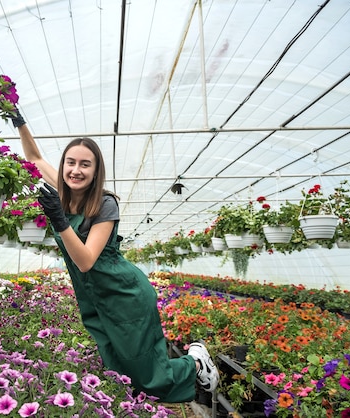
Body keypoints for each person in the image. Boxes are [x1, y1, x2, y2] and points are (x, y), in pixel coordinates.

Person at [12, 112, 219, 403]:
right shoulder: (62, 190)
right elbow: (33, 157)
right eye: (70, 163)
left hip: (124, 294)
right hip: (95, 296)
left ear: (96, 171)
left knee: (146, 374)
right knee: (118, 370)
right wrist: (19, 121)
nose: (76, 170)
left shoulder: (105, 204)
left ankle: (196, 362)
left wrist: (59, 219)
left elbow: (85, 260)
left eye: (85, 164)